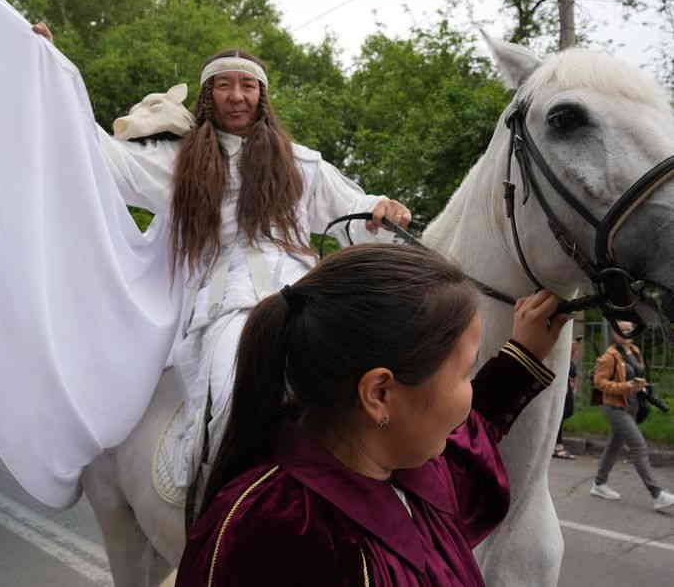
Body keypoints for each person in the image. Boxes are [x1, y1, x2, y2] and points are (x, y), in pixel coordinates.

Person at [33, 23, 411, 491]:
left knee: (376, 392)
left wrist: (382, 210)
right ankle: (227, 506)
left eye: (248, 85)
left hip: (304, 296)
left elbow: (355, 214)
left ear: (263, 96)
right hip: (222, 304)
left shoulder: (302, 163)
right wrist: (50, 74)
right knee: (236, 396)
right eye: (225, 85)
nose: (237, 96)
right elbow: (96, 157)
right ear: (208, 96)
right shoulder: (176, 161)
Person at [174, 244, 567, 586]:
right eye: (466, 372)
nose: (468, 398)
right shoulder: (276, 533)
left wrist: (523, 357)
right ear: (379, 393)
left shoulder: (408, 472)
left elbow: (467, 446)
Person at [590, 322, 674, 511]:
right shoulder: (609, 356)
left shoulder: (634, 350)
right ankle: (657, 493)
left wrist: (641, 386)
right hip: (615, 407)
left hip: (632, 407)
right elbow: (599, 382)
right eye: (622, 329)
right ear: (614, 333)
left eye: (630, 329)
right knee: (638, 446)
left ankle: (598, 484)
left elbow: (637, 375)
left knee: (614, 446)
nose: (627, 332)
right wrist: (626, 386)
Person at [553, 334, 581, 459]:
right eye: (573, 347)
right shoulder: (559, 358)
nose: (575, 351)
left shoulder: (569, 360)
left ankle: (555, 445)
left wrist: (574, 385)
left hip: (567, 390)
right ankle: (557, 446)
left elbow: (573, 375)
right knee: (558, 417)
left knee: (564, 415)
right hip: (560, 391)